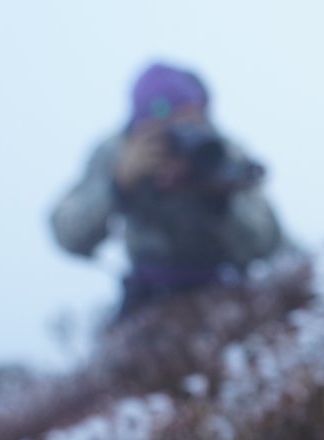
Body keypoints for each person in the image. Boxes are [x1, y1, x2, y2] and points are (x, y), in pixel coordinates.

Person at [51, 62, 284, 318]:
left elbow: (269, 242)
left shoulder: (220, 152)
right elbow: (68, 235)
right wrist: (119, 186)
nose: (183, 134)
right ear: (141, 128)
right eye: (167, 127)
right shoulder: (118, 153)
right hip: (148, 300)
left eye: (191, 120)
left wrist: (217, 195)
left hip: (227, 292)